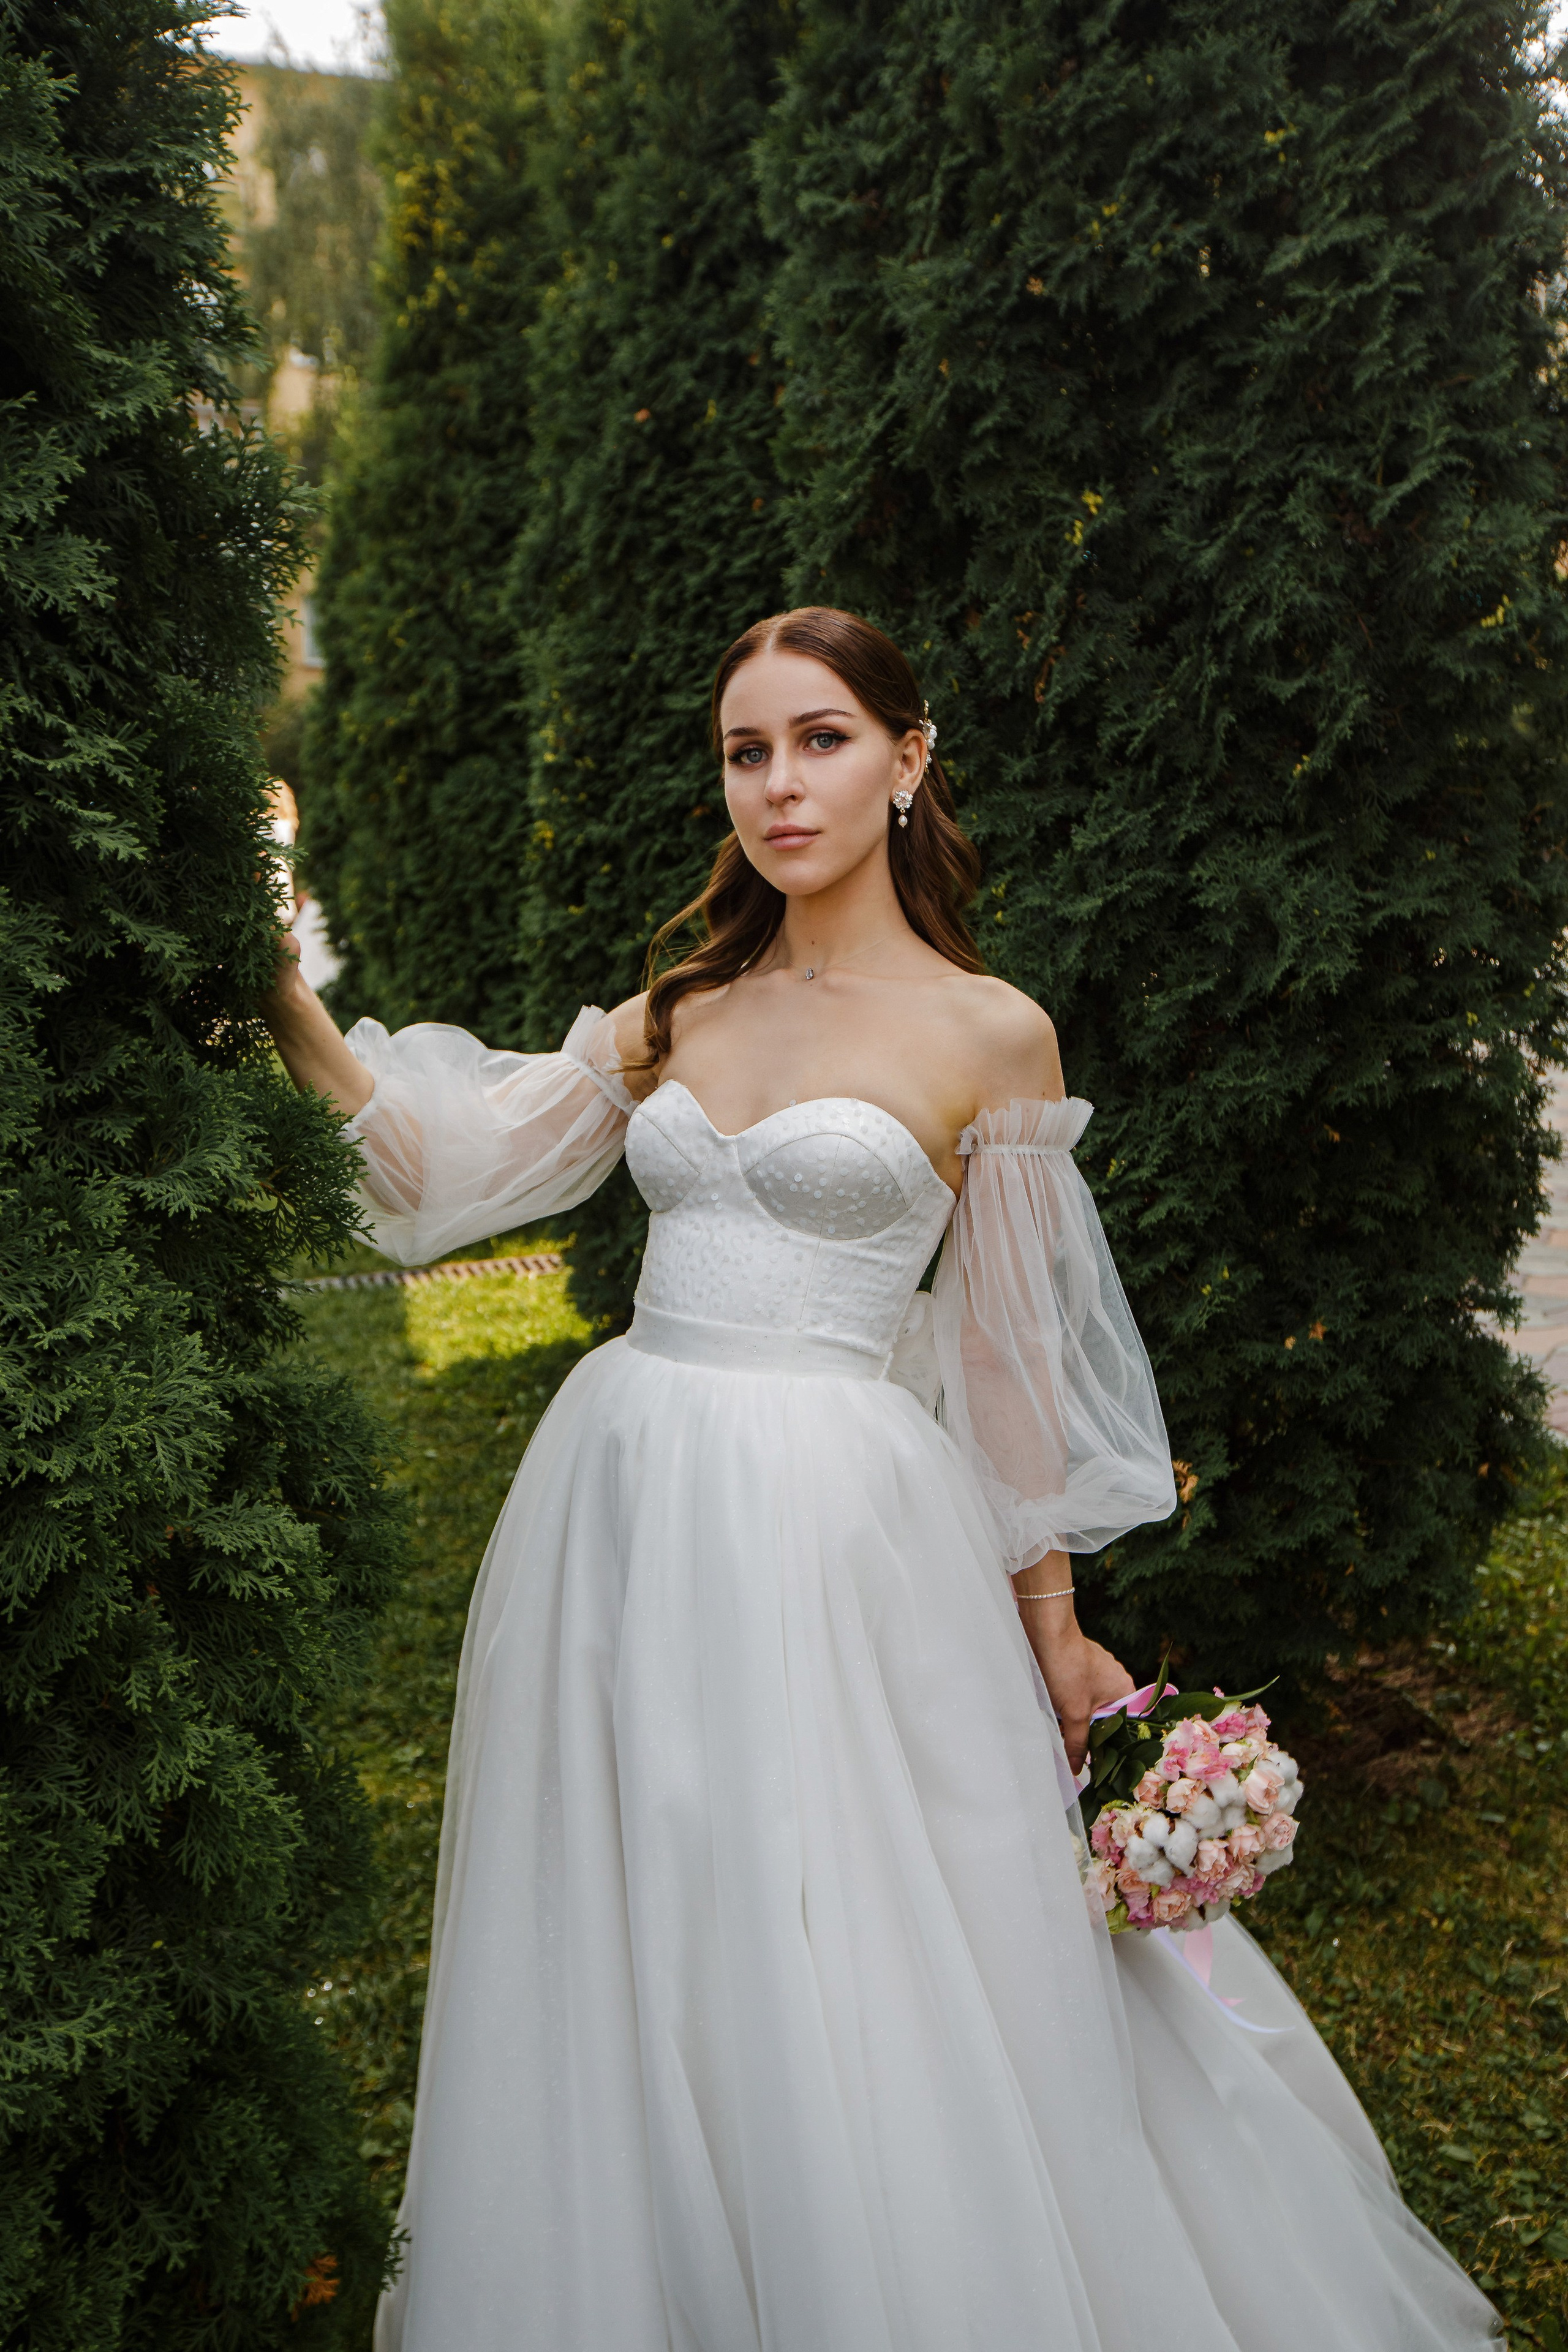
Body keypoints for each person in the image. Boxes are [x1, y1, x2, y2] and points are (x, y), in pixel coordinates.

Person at [264, 608, 1496, 2352]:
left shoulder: (994, 1034)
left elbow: (1006, 1359)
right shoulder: (681, 1007)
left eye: (822, 739)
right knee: (636, 1898)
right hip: (622, 1497)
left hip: (840, 1525)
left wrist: (1054, 1626)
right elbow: (435, 1167)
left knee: (849, 1918)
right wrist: (275, 988)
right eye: (746, 751)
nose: (780, 784)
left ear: (908, 760)